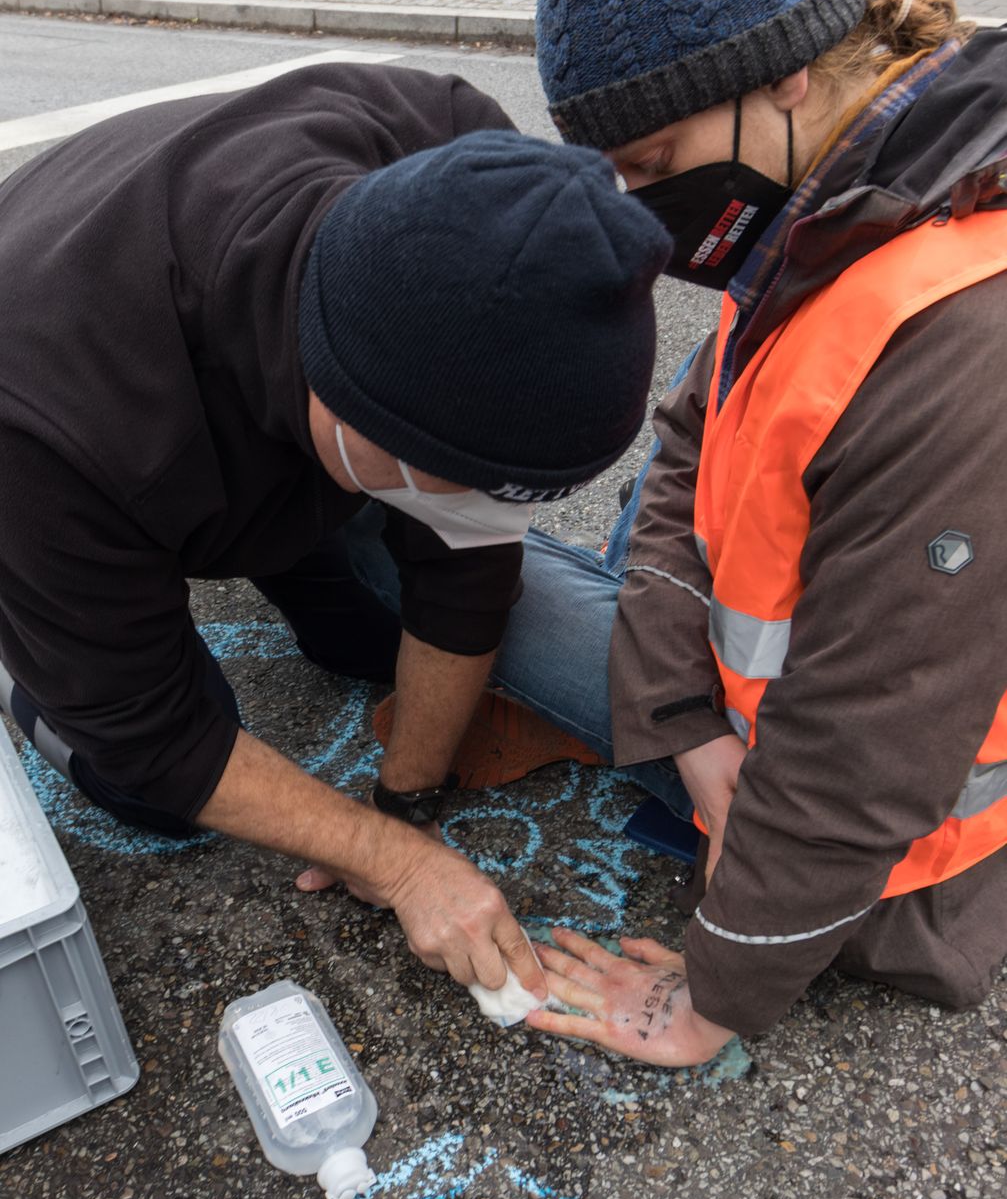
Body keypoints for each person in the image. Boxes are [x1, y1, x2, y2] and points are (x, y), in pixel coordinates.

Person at [496, 0, 1007, 1065]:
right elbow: (687, 446)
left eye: (651, 165)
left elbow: (869, 743)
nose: (647, 216)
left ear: (782, 72)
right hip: (752, 759)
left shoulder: (961, 334)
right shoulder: (834, 201)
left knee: (461, 589)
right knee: (504, 582)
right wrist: (681, 714)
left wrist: (715, 994)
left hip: (906, 884)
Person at [0, 63, 671, 1004]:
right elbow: (159, 738)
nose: (485, 512)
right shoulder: (47, 428)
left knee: (366, 641)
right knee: (146, 784)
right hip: (61, 411)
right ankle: (26, 665)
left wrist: (407, 800)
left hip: (246, 399)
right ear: (345, 403)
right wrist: (397, 865)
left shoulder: (463, 169)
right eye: (458, 479)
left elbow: (468, 561)